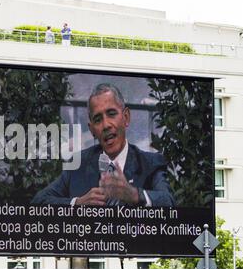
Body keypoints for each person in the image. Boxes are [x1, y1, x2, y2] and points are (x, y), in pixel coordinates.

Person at [31, 83, 175, 207]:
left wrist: (134, 195)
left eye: (111, 114)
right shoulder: (78, 164)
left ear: (126, 117)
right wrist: (77, 203)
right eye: (98, 119)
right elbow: (38, 202)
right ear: (92, 129)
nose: (106, 125)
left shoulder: (150, 163)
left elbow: (169, 203)